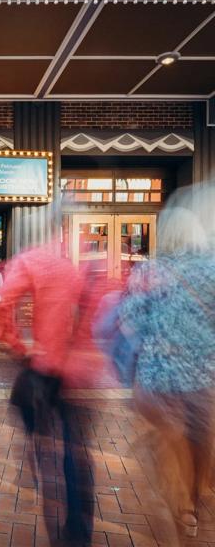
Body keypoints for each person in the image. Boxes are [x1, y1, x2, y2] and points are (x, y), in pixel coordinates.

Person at [119, 195, 215, 542]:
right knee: (201, 439)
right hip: (202, 378)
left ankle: (175, 503)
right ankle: (192, 500)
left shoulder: (148, 271)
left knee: (167, 439)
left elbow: (129, 322)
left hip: (156, 378)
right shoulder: (212, 268)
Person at [0, 244, 93, 545]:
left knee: (41, 438)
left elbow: (1, 304)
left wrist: (18, 345)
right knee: (75, 449)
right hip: (74, 369)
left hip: (41, 366)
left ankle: (36, 465)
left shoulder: (29, 261)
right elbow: (89, 312)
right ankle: (78, 528)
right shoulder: (74, 268)